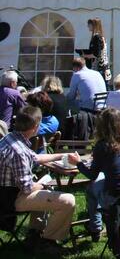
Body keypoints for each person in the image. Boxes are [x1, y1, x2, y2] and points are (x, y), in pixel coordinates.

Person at [0, 106, 79, 252]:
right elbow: (27, 188)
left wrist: (60, 155)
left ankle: (35, 232)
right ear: (36, 126)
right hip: (10, 200)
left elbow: (34, 158)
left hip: (7, 194)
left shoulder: (10, 138)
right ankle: (48, 240)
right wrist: (42, 184)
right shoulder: (19, 151)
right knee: (68, 201)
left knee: (47, 189)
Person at [76, 108, 120, 241]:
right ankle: (96, 226)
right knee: (100, 181)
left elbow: (92, 175)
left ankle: (96, 228)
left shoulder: (102, 146)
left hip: (114, 196)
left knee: (91, 188)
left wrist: (78, 163)